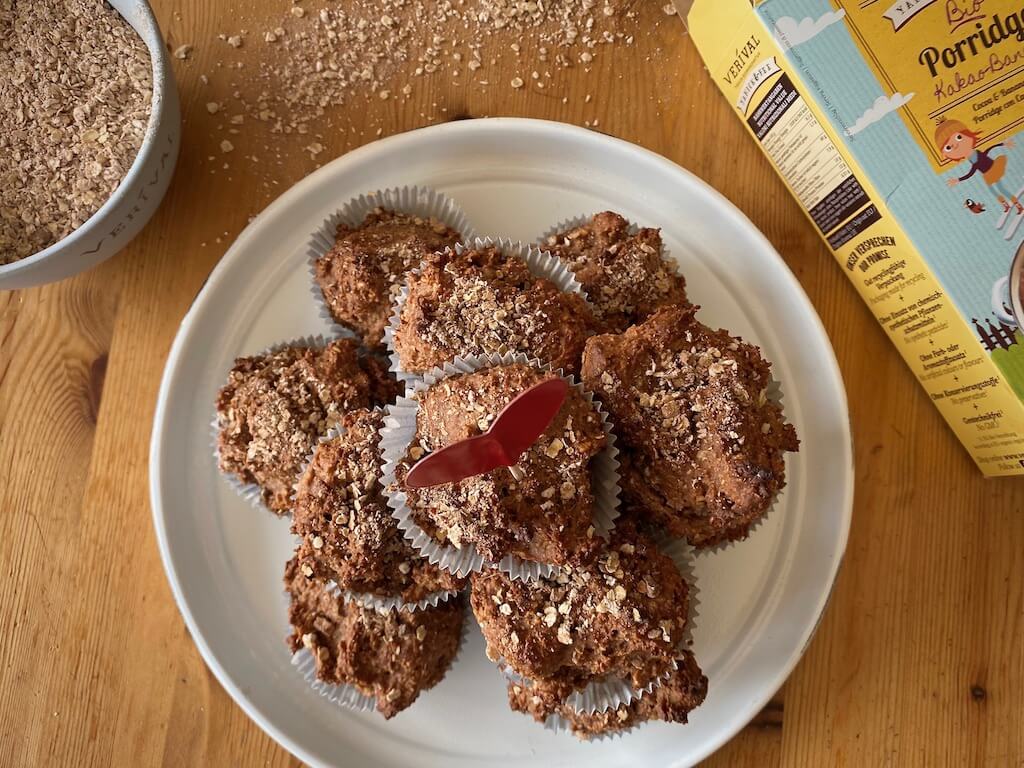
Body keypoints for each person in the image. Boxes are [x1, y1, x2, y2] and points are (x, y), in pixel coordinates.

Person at [938, 119, 1020, 214]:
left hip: (993, 169)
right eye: (948, 147)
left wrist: (1002, 144)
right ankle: (1006, 205)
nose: (955, 145)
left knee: (1001, 189)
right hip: (987, 174)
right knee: (994, 191)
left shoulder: (975, 155)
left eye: (959, 137)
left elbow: (975, 167)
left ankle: (1018, 206)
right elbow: (976, 165)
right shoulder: (970, 158)